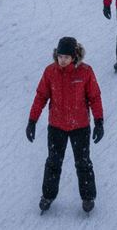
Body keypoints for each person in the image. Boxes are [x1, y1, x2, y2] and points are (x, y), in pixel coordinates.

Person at [27, 37, 103, 214]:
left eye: (66, 57)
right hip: (57, 126)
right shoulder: (50, 72)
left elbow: (95, 97)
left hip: (80, 127)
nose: (62, 60)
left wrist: (99, 121)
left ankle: (88, 197)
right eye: (60, 56)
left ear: (74, 56)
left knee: (83, 163)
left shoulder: (85, 72)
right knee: (53, 162)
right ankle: (48, 196)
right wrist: (32, 121)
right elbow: (41, 97)